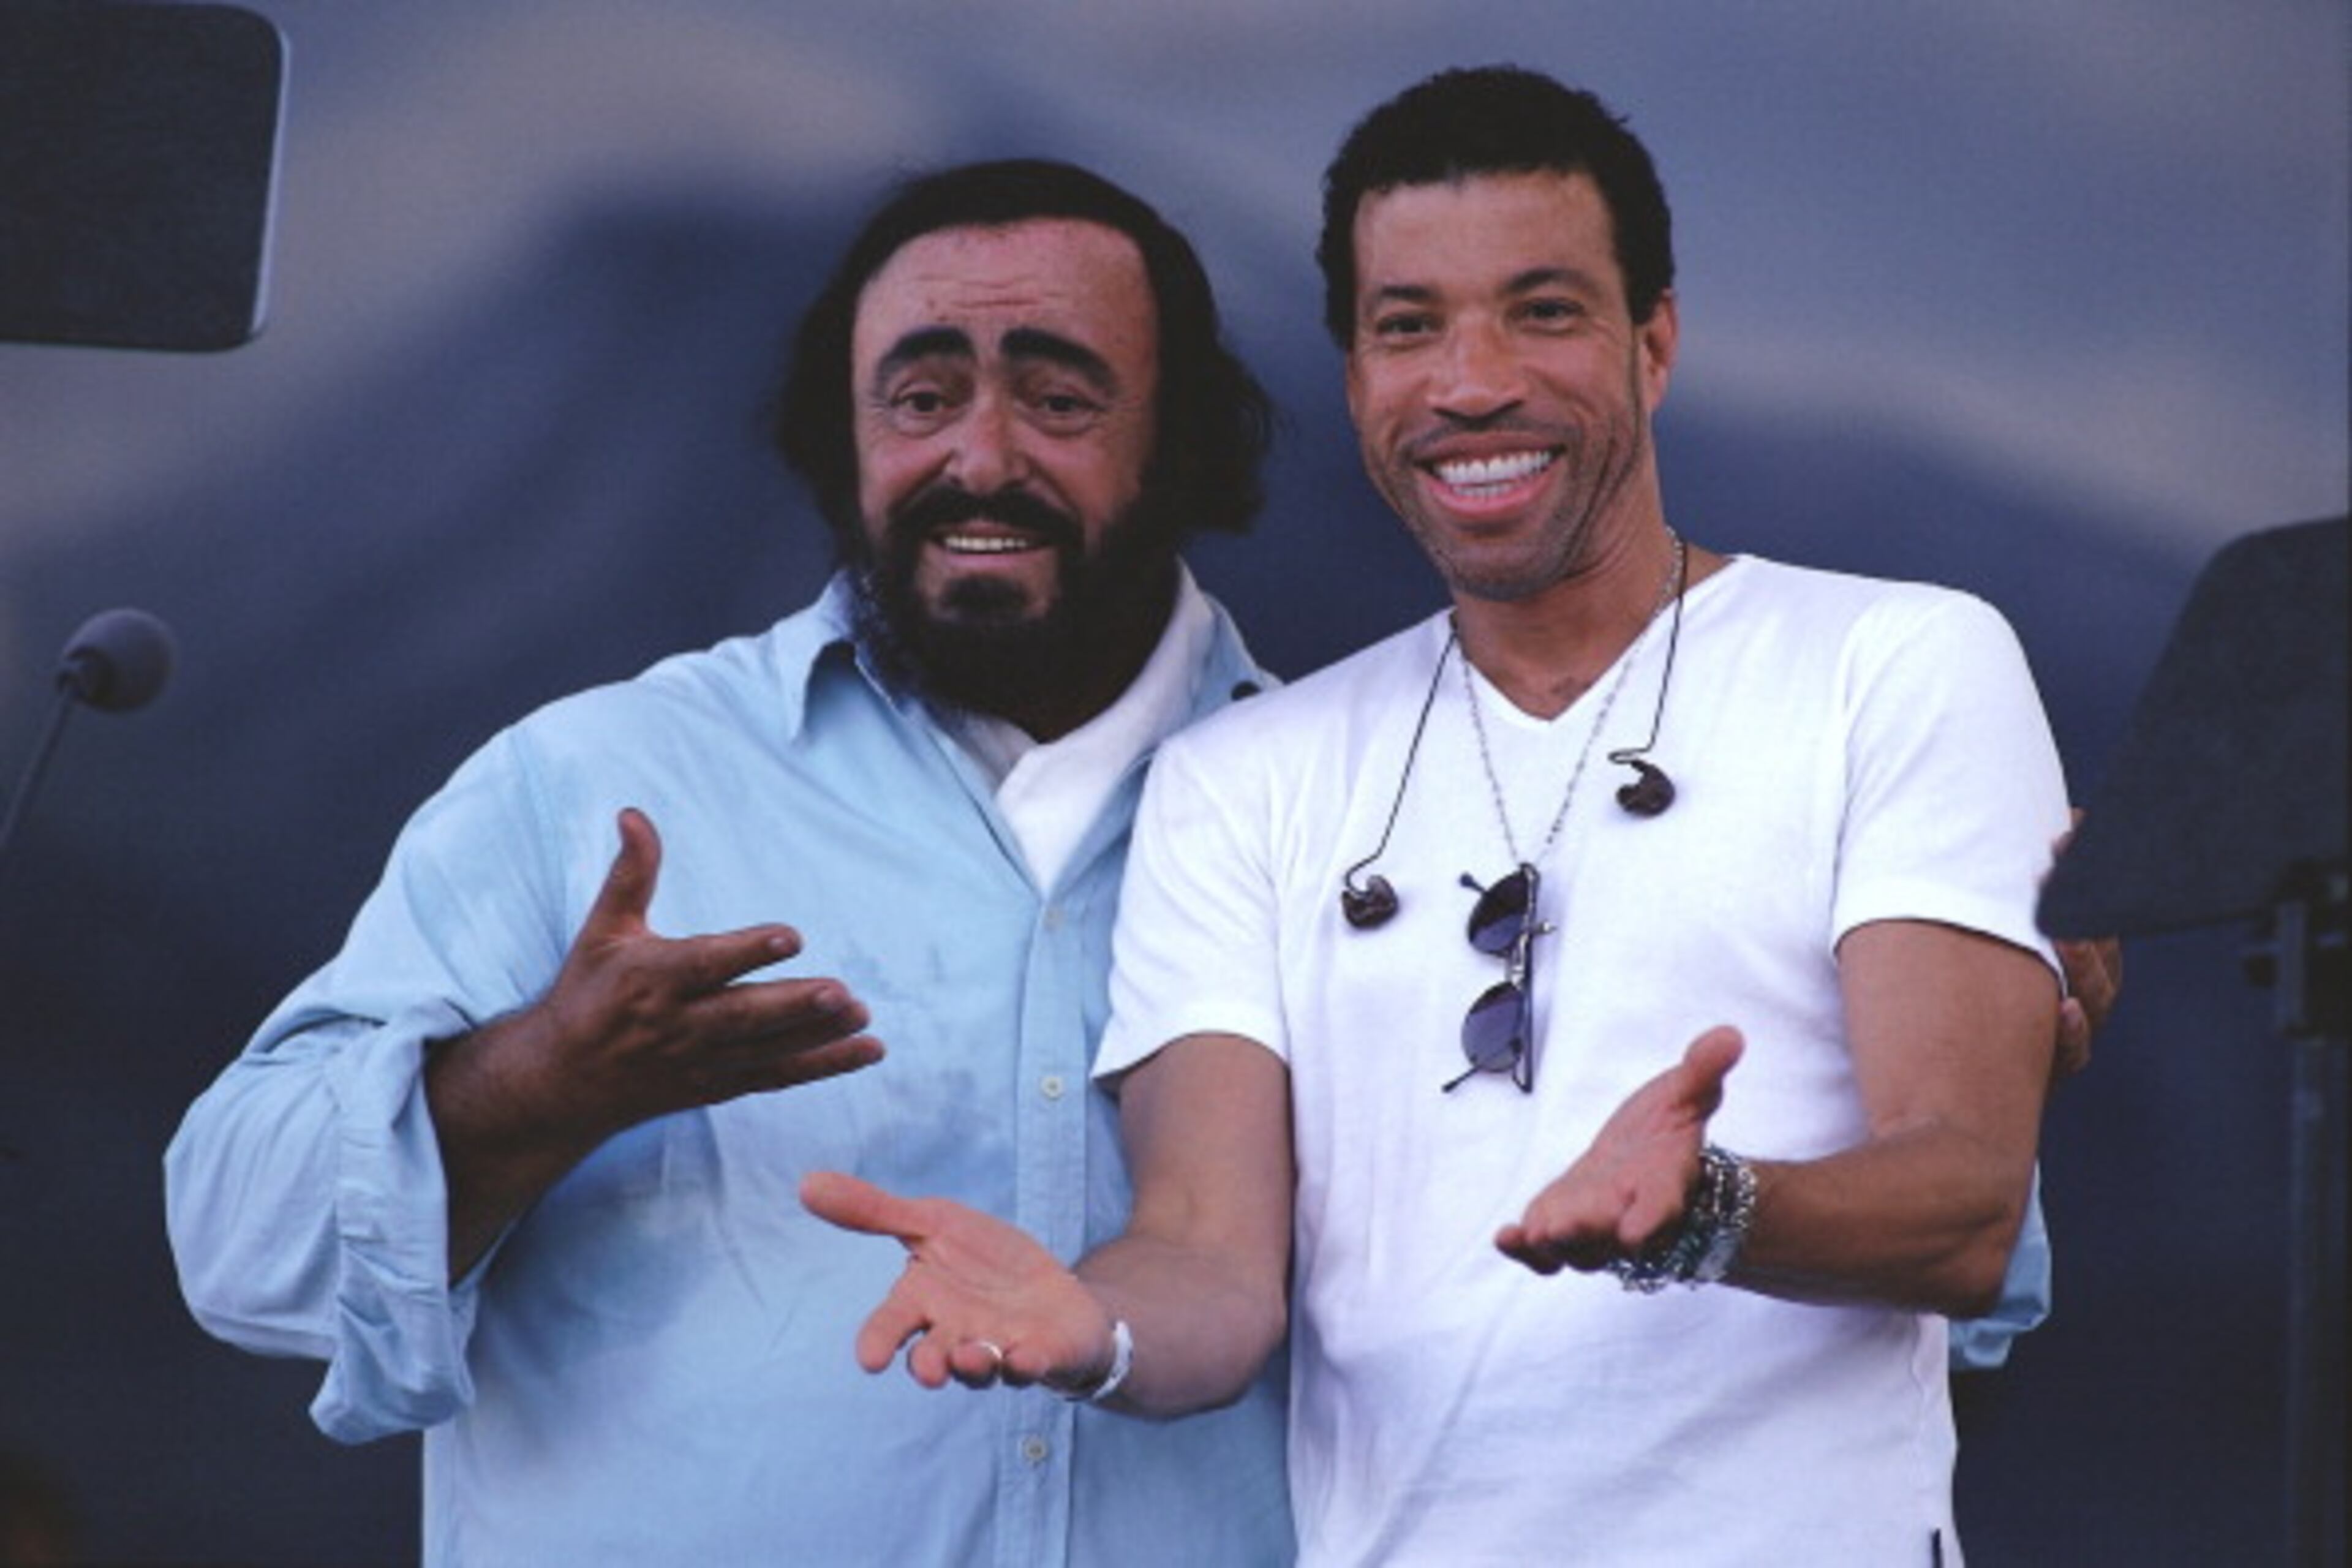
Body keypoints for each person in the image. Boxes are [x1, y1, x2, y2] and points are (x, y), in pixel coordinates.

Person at [805, 68, 2080, 1564]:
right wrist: (1097, 1323)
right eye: (1409, 325)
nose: (1471, 382)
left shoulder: (1898, 660)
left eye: (1542, 311)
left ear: (1654, 341)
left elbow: (1963, 1202)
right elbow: (1209, 1260)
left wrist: (1708, 1209)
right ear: (1352, 375)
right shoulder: (1242, 775)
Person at [162, 159, 1295, 1565]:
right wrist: (538, 1081)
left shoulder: (1343, 807)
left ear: (1180, 443)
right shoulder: (596, 781)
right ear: (844, 439)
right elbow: (237, 1246)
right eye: (921, 395)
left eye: (1060, 398)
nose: (982, 457)